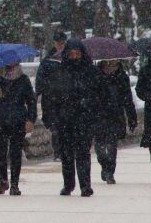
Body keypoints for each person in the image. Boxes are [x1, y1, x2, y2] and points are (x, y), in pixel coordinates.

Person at [44, 39, 106, 197]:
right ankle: (68, 184)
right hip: (64, 120)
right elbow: (51, 96)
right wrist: (51, 117)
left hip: (84, 119)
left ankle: (85, 185)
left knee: (83, 154)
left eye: (77, 54)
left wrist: (91, 107)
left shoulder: (91, 72)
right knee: (66, 155)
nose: (74, 57)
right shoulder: (59, 73)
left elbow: (101, 95)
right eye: (71, 54)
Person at [0, 62, 37, 195]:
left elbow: (31, 101)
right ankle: (3, 181)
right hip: (0, 119)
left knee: (16, 152)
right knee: (0, 152)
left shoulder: (23, 79)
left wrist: (31, 119)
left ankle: (14, 184)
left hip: (18, 120)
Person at [94, 60, 137, 184]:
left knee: (112, 144)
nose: (111, 64)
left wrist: (131, 118)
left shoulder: (122, 77)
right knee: (99, 144)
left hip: (115, 115)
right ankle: (104, 164)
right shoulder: (95, 75)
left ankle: (110, 172)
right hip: (98, 115)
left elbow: (128, 99)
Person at [35, 31, 67, 160]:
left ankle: (65, 150)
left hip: (67, 98)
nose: (61, 45)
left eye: (63, 43)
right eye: (59, 43)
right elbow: (40, 79)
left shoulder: (70, 58)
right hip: (51, 99)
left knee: (66, 126)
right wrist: (38, 93)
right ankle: (58, 152)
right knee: (55, 127)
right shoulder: (48, 60)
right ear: (55, 43)